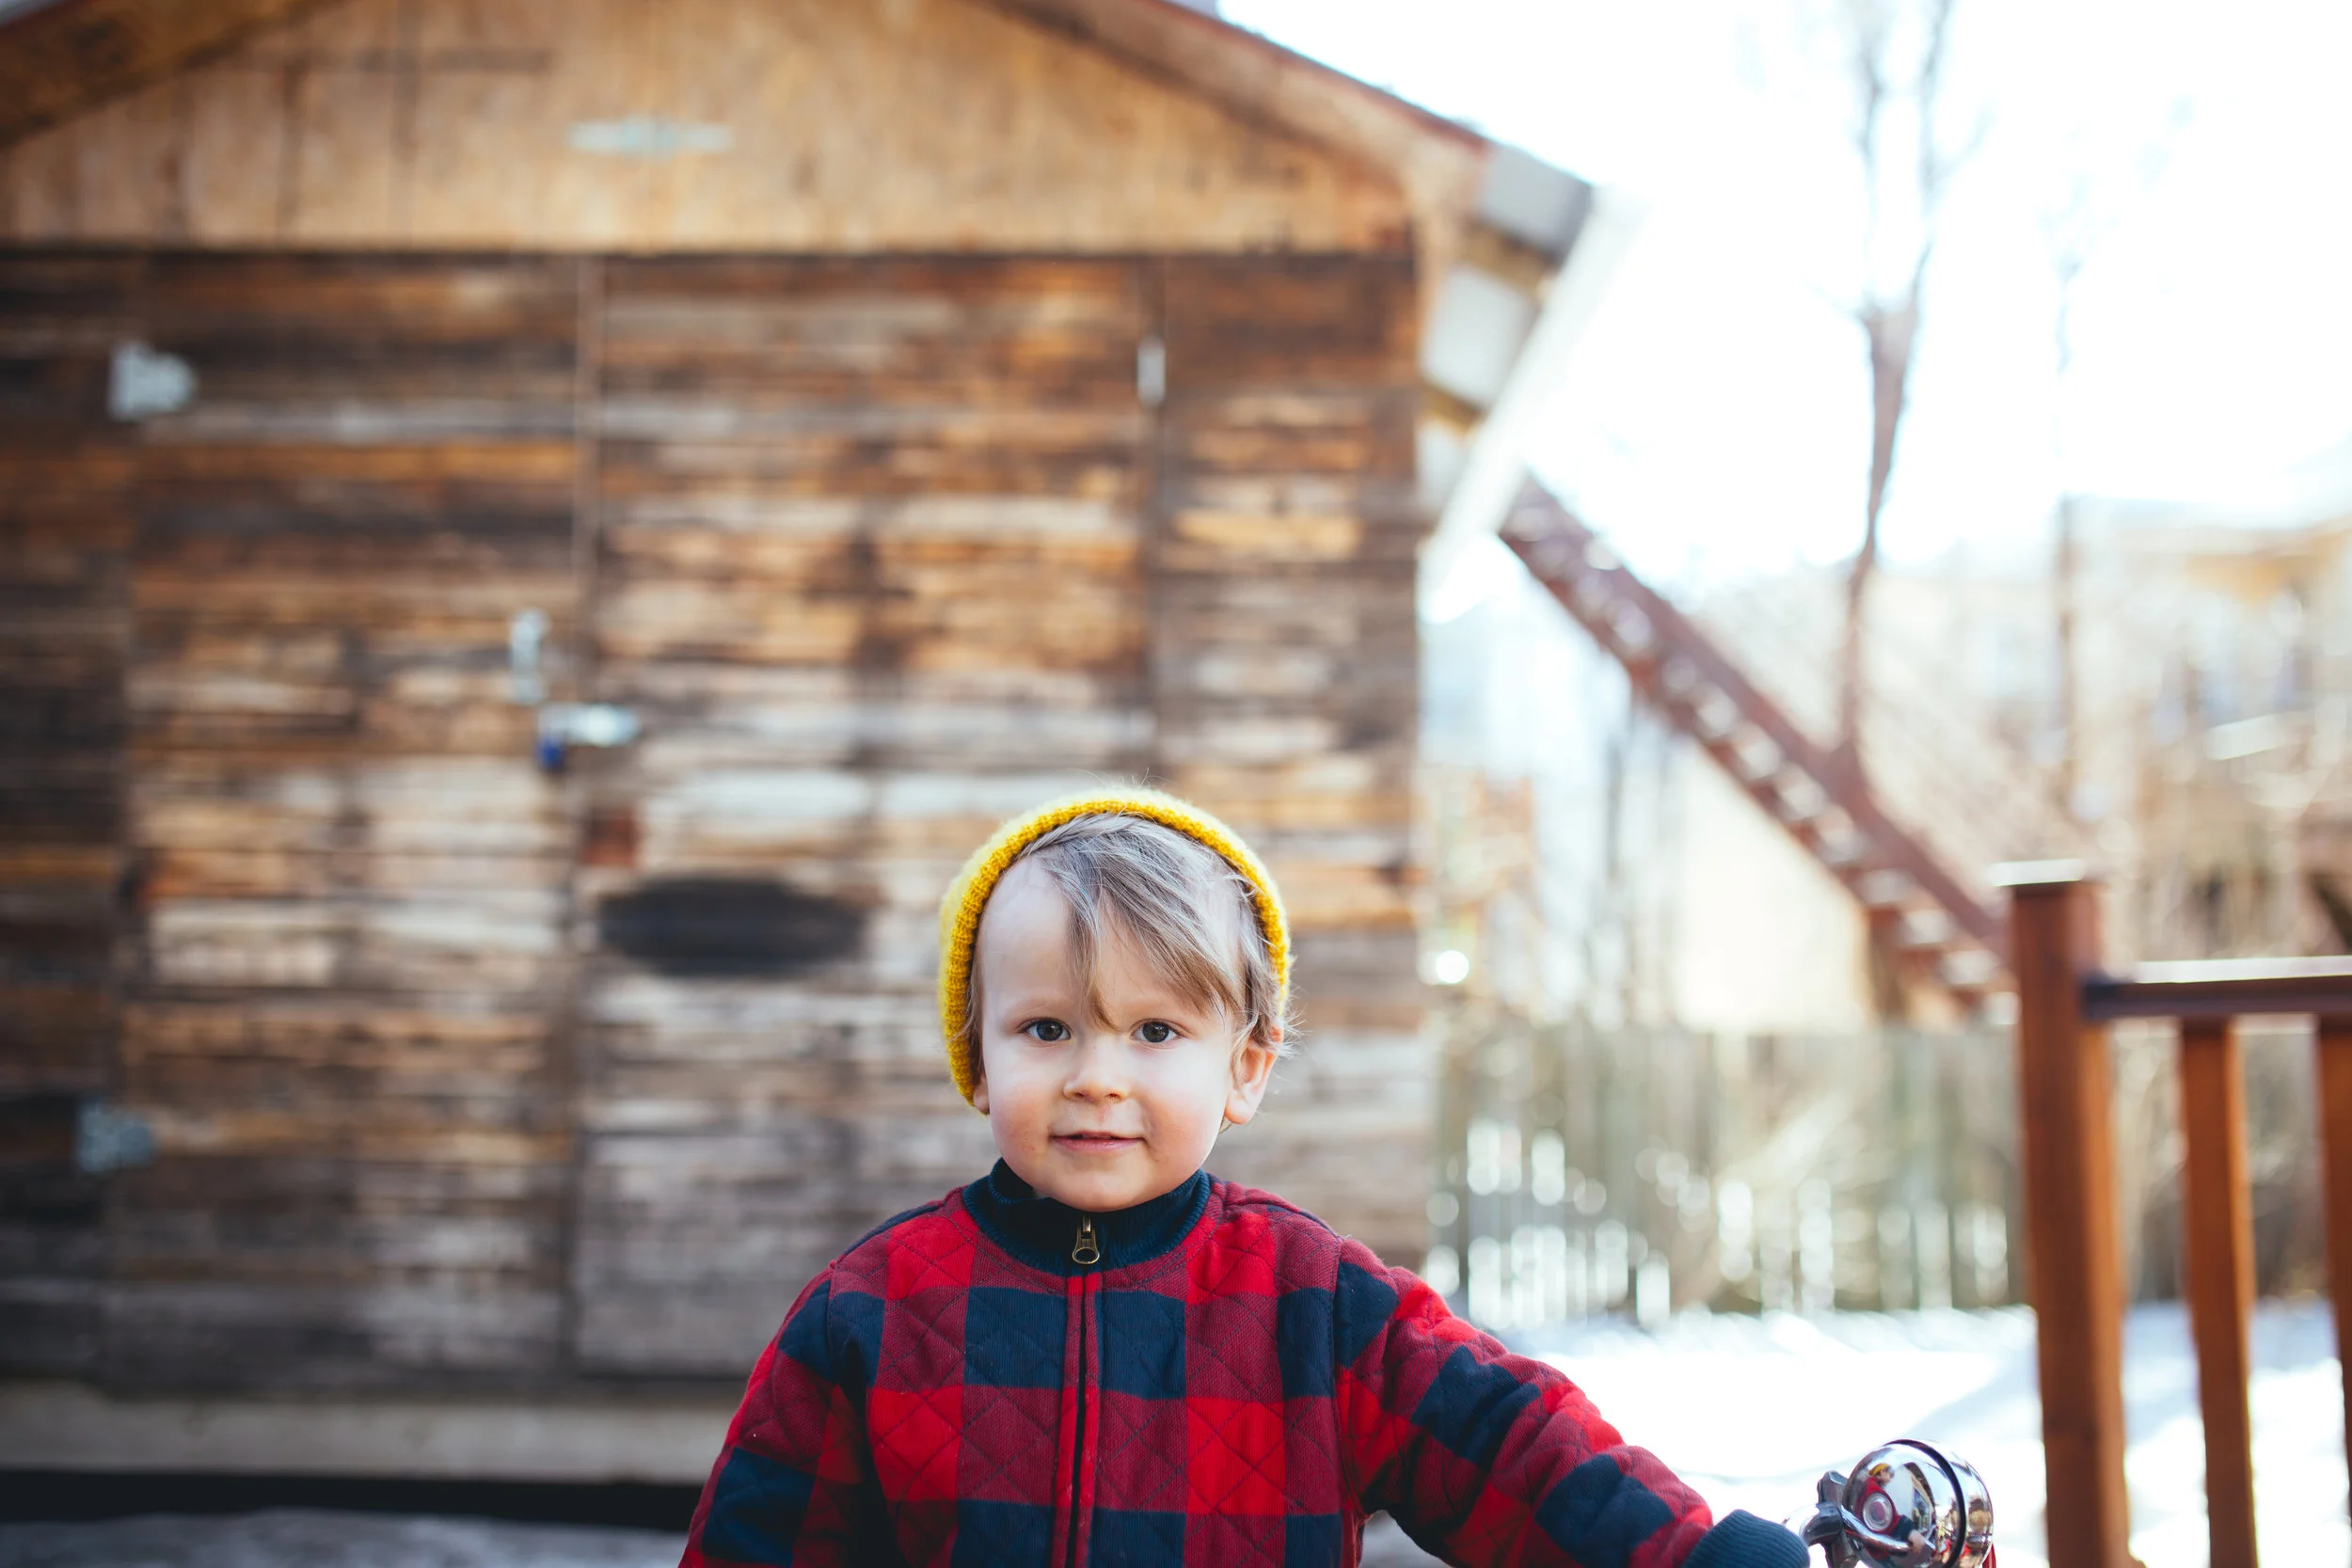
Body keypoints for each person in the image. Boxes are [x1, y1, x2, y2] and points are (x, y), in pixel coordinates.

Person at [678, 788, 1807, 1567]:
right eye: (1047, 1027)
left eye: (1155, 1030)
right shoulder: (872, 1311)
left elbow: (1512, 1450)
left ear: (1245, 1069)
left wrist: (1696, 1554)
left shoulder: (1316, 1303)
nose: (1096, 1075)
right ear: (977, 1057)